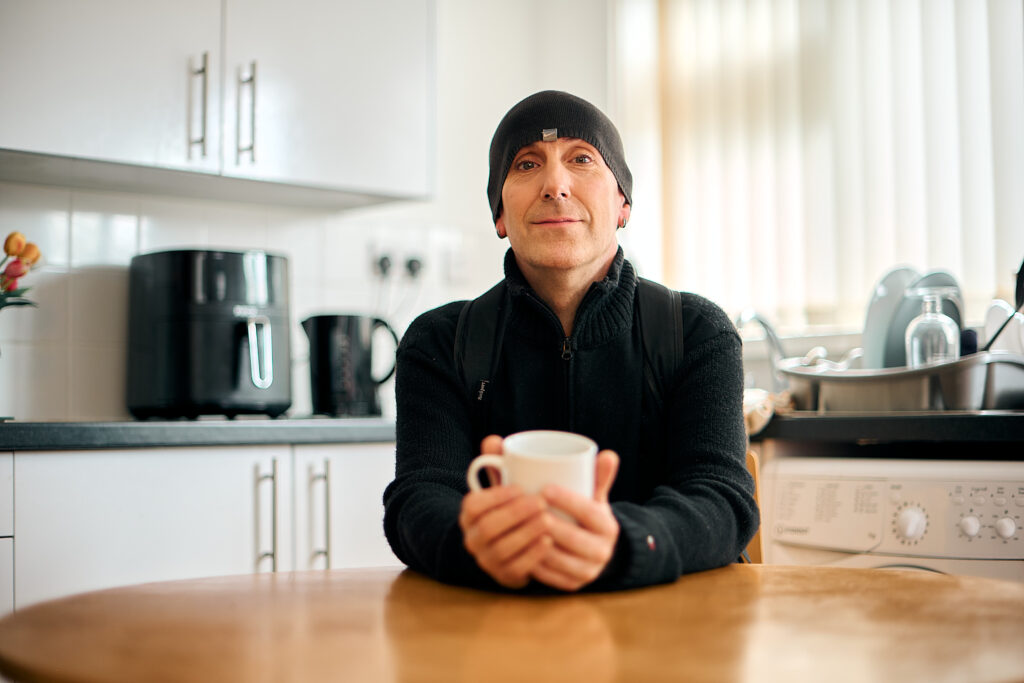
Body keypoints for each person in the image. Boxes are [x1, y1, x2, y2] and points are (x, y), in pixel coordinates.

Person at [383, 90, 758, 592]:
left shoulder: (697, 332)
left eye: (582, 159)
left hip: (669, 638)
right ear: (499, 214)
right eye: (526, 164)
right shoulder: (438, 342)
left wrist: (628, 542)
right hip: (494, 639)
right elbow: (418, 497)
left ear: (623, 203)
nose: (555, 184)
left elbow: (723, 498)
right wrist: (469, 541)